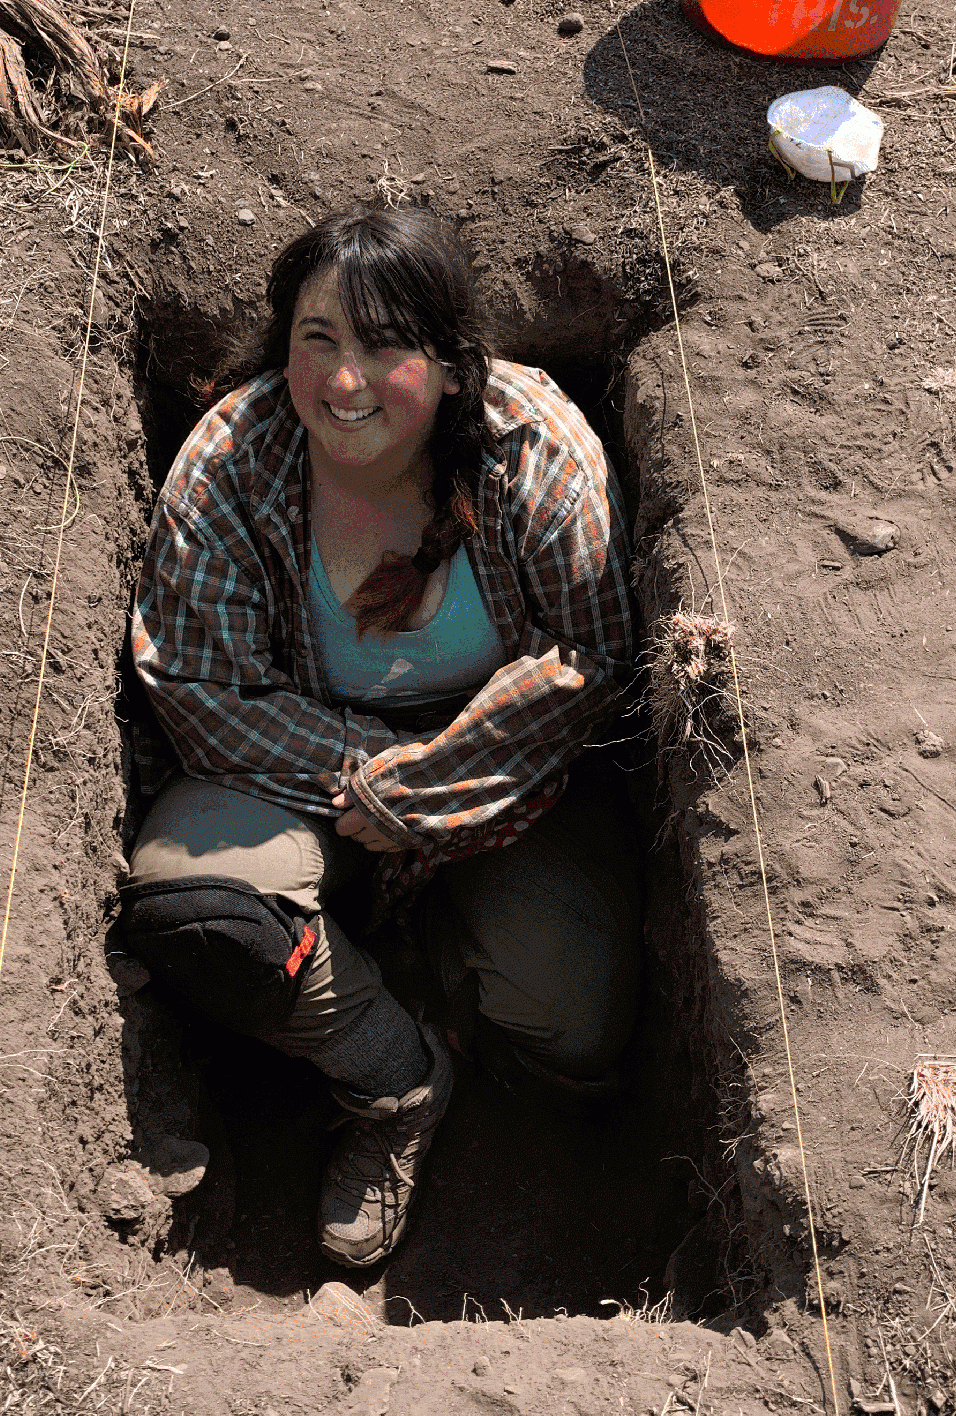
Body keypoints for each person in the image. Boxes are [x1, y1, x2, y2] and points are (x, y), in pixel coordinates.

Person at [122, 205, 641, 1268]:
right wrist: (369, 778)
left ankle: (429, 969)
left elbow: (587, 657)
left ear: (453, 365)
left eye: (385, 344)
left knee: (571, 1034)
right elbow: (197, 684)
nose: (345, 382)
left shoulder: (534, 451)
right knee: (196, 907)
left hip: (505, 777)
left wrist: (426, 794)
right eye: (319, 340)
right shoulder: (234, 460)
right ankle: (393, 1074)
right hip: (293, 766)